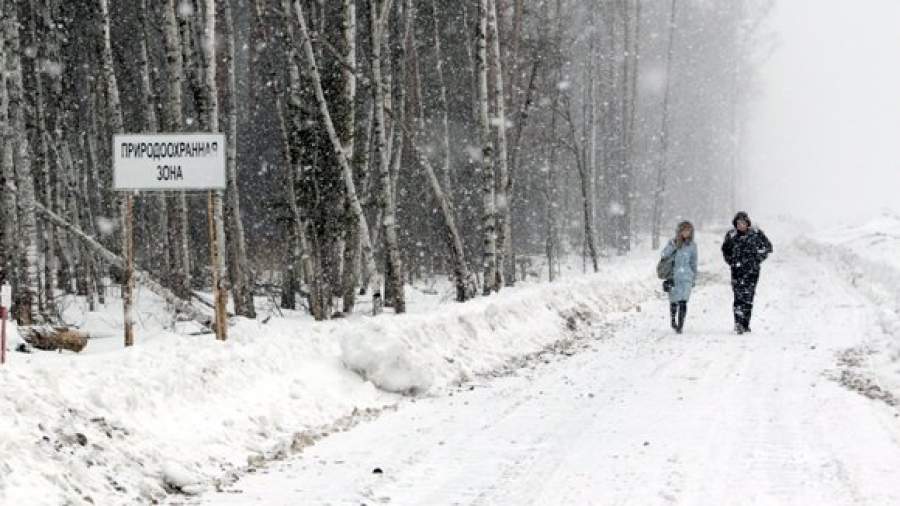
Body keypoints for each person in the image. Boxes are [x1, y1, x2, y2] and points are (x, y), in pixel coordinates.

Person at [721, 211, 773, 334]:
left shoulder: (756, 234)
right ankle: (738, 324)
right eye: (738, 223)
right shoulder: (731, 235)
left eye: (743, 223)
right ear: (735, 224)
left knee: (748, 298)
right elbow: (725, 250)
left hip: (752, 271)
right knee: (738, 297)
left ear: (747, 223)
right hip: (737, 271)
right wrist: (732, 261)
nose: (741, 225)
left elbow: (768, 247)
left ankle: (745, 324)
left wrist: (757, 258)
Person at [660, 221, 698, 334]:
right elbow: (664, 255)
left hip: (686, 277)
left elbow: (694, 263)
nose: (686, 233)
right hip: (673, 277)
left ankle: (680, 325)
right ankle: (673, 321)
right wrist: (674, 246)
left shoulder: (692, 246)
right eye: (684, 230)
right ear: (679, 231)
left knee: (683, 301)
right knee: (673, 301)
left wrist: (693, 277)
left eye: (688, 230)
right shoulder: (672, 243)